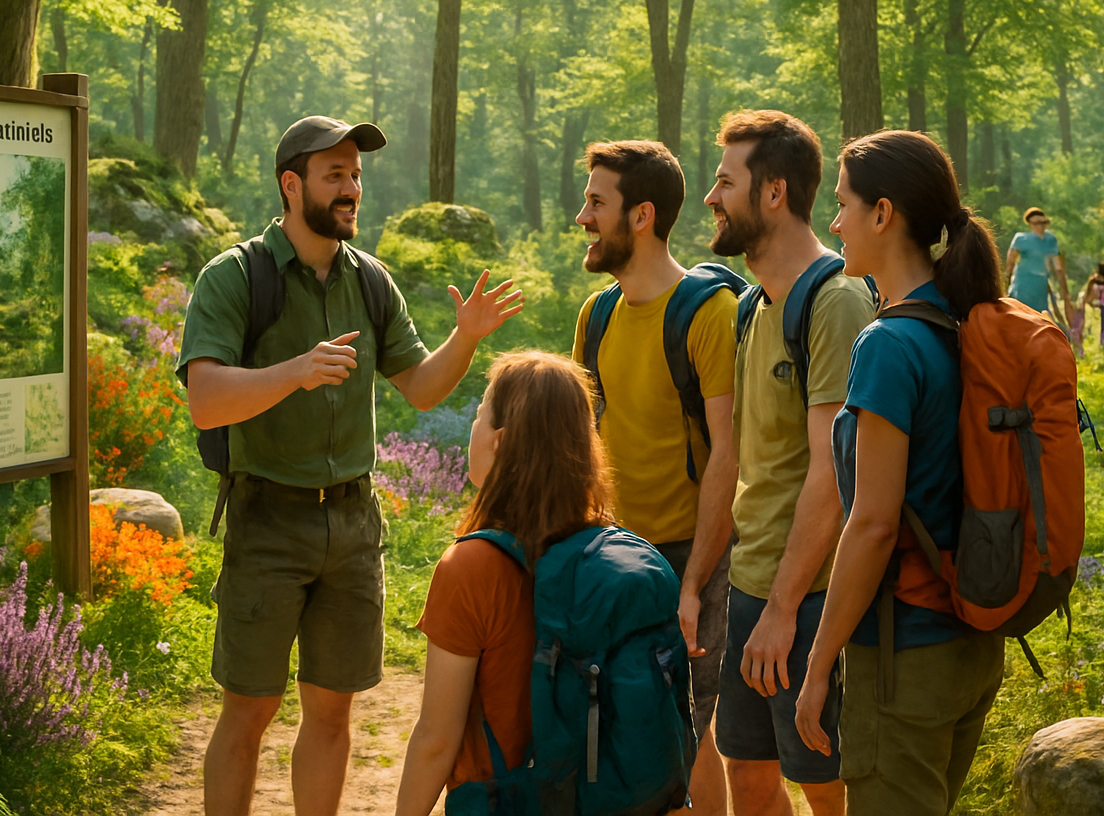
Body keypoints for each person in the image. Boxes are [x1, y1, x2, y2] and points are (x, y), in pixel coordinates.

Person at [177, 115, 524, 816]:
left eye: (356, 176)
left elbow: (422, 388)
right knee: (248, 713)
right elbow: (205, 401)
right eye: (335, 174)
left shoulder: (371, 281)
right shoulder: (236, 277)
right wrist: (294, 372)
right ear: (290, 183)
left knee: (332, 715)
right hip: (267, 520)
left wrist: (465, 339)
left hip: (353, 525)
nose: (352, 189)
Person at [796, 130, 1005, 816]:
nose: (834, 224)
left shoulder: (888, 345)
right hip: (973, 644)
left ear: (883, 214)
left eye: (843, 205)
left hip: (904, 656)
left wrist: (819, 664)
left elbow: (874, 524)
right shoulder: (963, 319)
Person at [703, 110, 875, 816]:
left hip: (808, 599)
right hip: (752, 588)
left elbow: (834, 478)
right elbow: (745, 462)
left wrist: (782, 610)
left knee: (825, 783)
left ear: (773, 193)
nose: (712, 198)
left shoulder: (835, 304)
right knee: (745, 769)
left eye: (724, 182)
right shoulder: (752, 307)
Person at [569, 140, 738, 815]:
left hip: (686, 559)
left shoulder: (709, 313)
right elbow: (583, 444)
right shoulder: (596, 314)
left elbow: (728, 455)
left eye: (596, 202)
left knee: (691, 738)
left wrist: (694, 582)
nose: (583, 216)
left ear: (641, 216)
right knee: (612, 734)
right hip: (608, 559)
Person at [394, 351, 614, 816]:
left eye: (478, 414)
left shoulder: (472, 567)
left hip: (504, 801)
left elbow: (437, 739)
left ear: (499, 440)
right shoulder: (605, 549)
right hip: (593, 798)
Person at [1005, 208, 1070, 318]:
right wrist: (1005, 286)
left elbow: (1058, 267)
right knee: (1020, 314)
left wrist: (1064, 290)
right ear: (1030, 224)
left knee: (1040, 316)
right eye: (1036, 223)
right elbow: (1010, 263)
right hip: (1022, 284)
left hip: (1040, 284)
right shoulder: (1021, 238)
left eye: (1043, 222)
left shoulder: (1050, 240)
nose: (1040, 226)